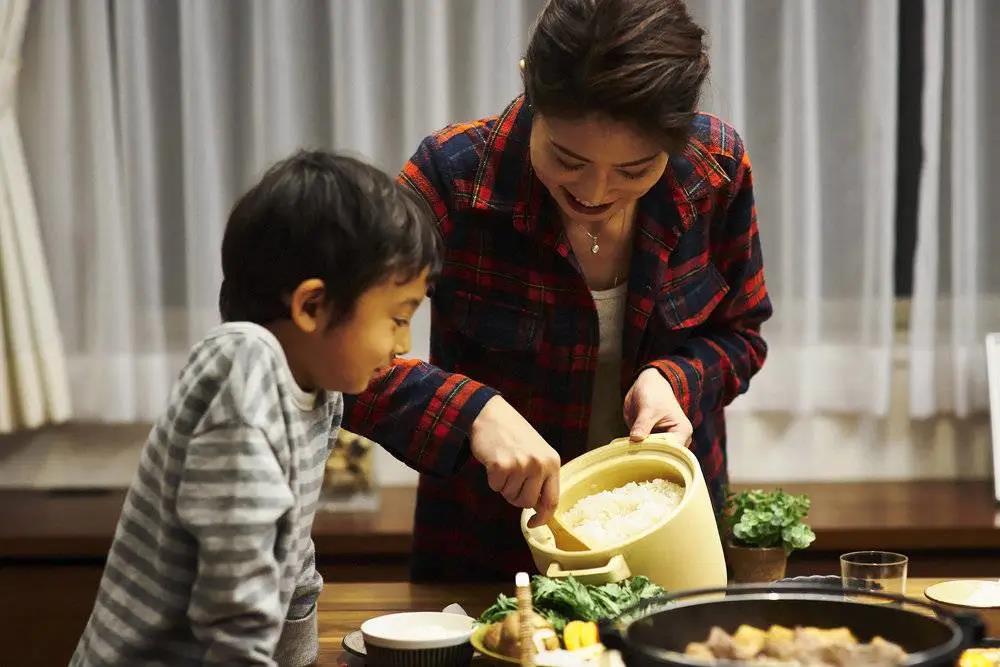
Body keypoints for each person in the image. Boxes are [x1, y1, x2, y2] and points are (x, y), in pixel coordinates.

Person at [346, 0, 772, 581]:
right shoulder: (455, 176)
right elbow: (323, 351)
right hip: (488, 552)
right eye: (568, 159)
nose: (595, 192)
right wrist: (471, 412)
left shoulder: (714, 169)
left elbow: (742, 333)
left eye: (633, 170)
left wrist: (675, 380)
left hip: (672, 538)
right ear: (532, 95)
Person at [70, 151, 443, 666]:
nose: (402, 345)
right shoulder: (243, 372)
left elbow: (292, 565)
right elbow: (235, 609)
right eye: (398, 318)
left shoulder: (320, 391)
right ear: (312, 306)